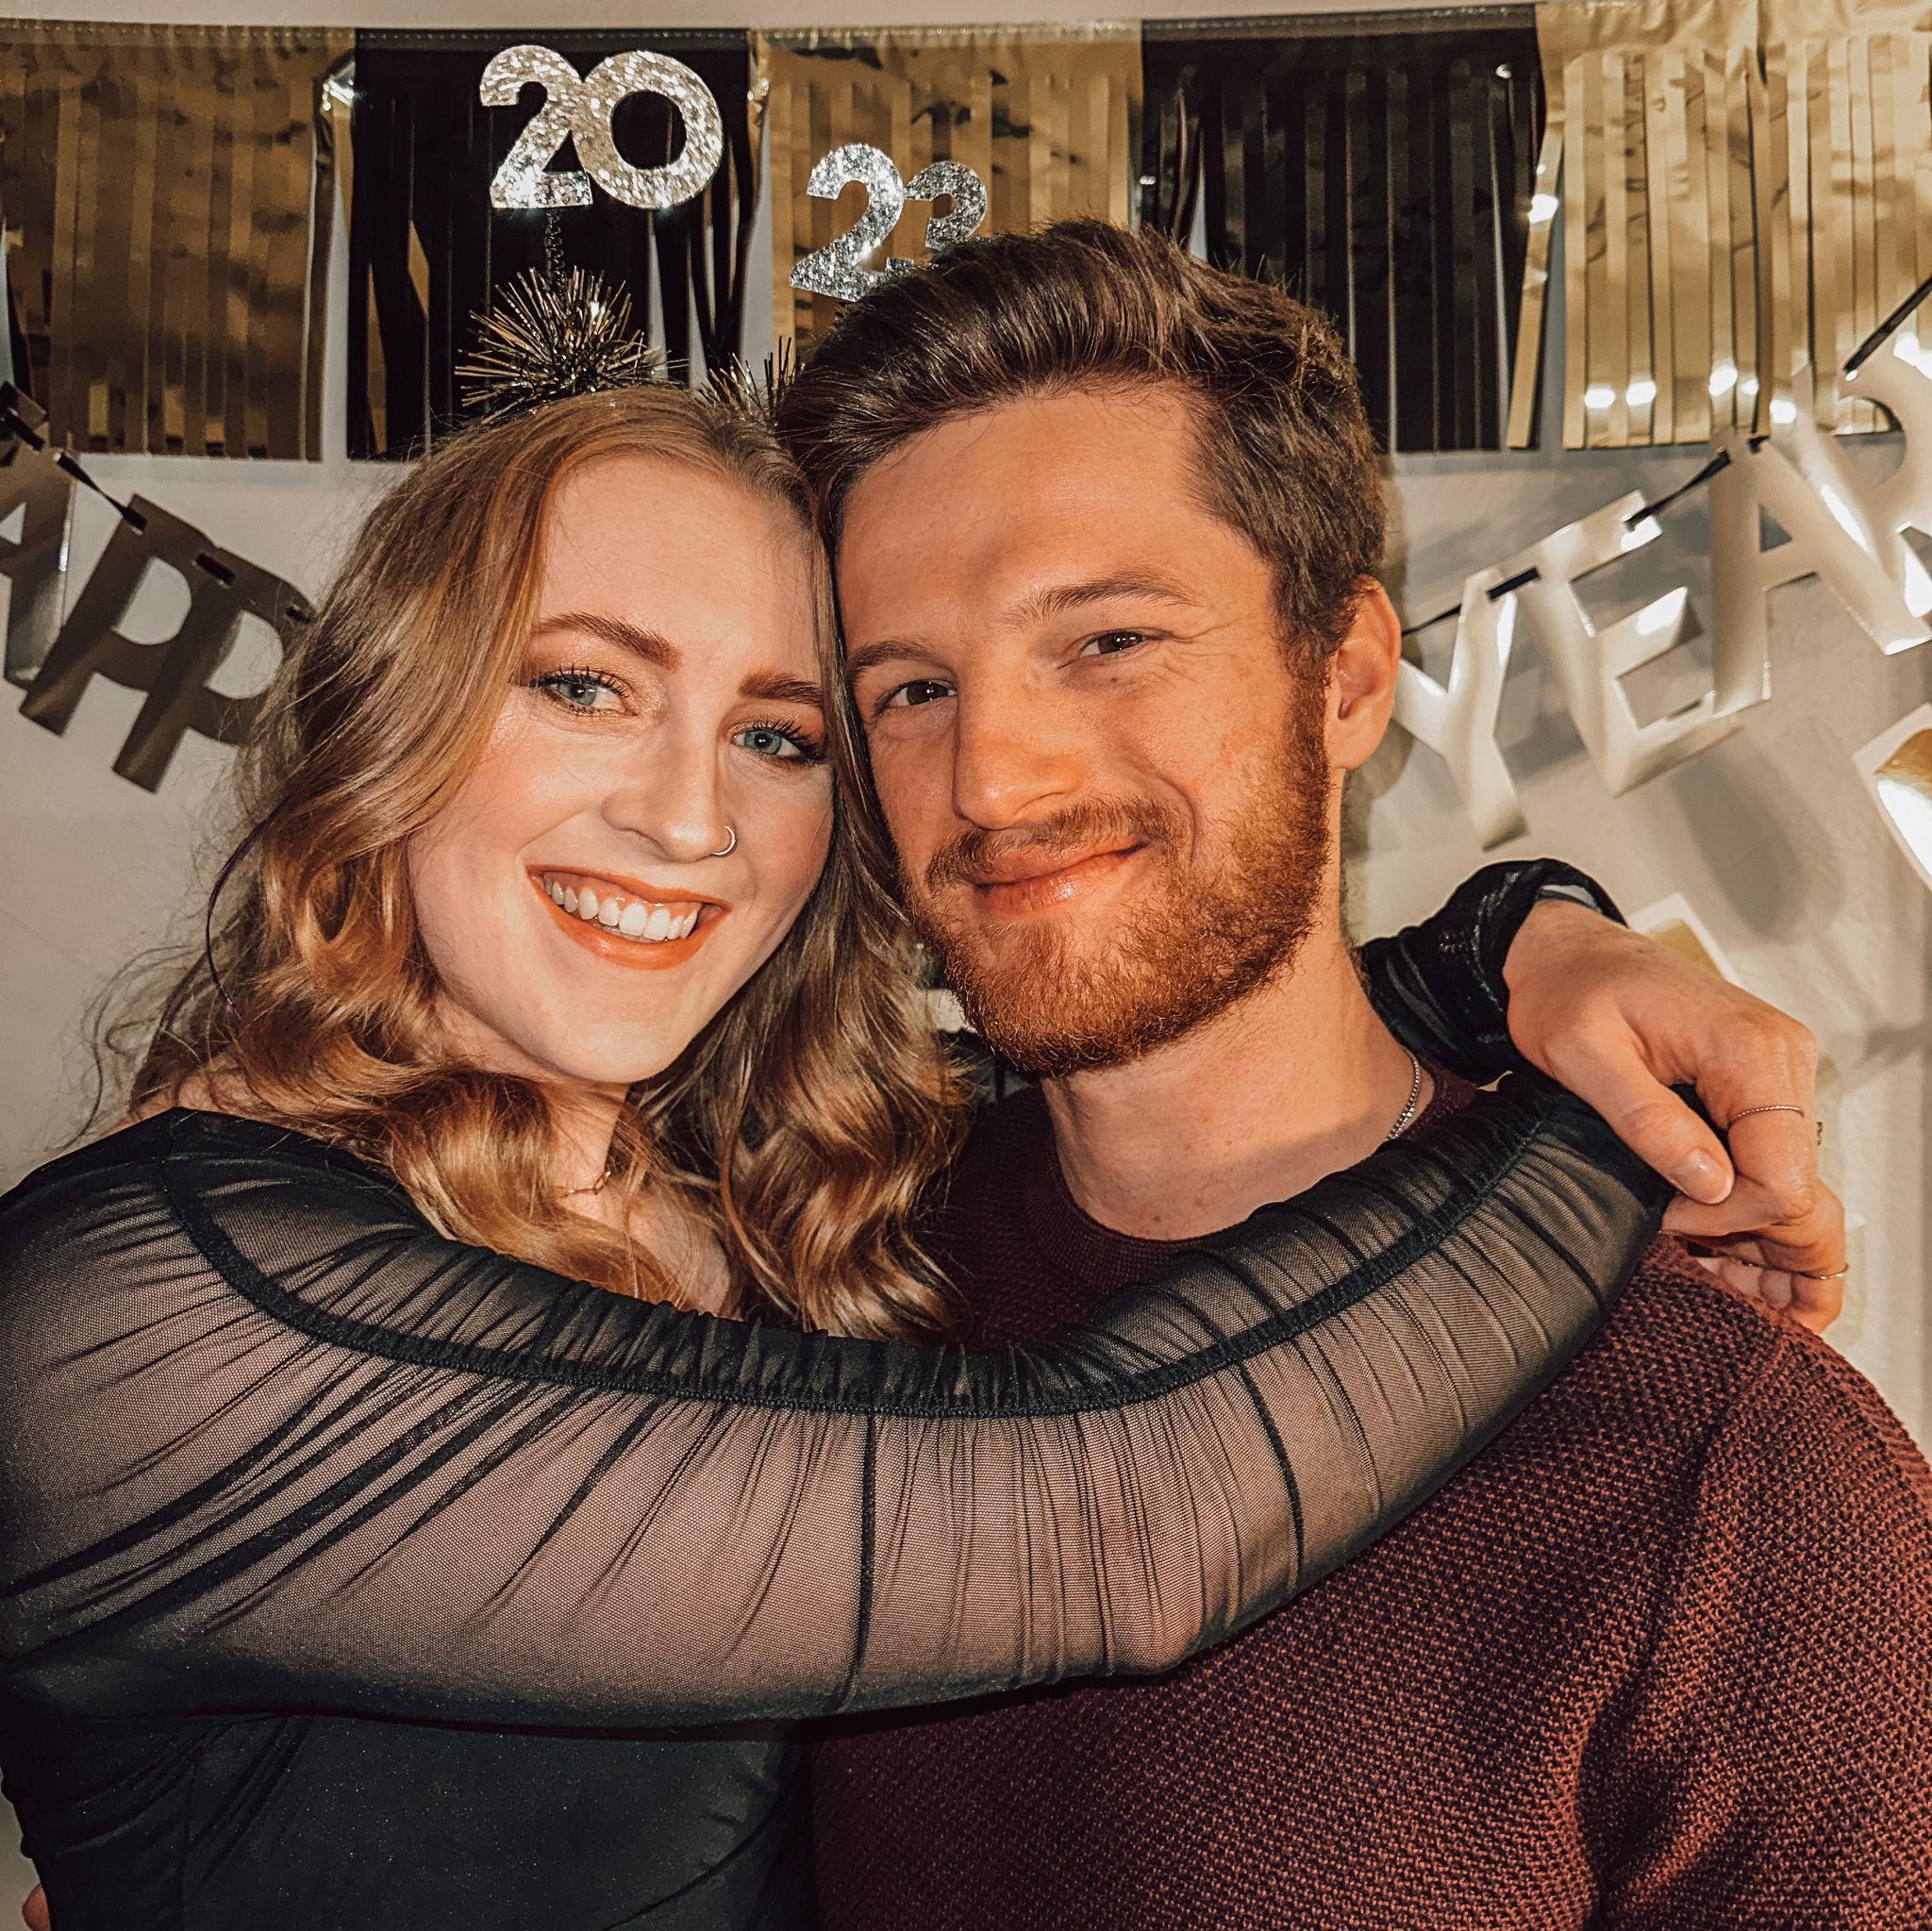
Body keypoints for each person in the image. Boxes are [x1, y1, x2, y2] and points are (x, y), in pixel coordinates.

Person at [0, 375, 1836, 1931]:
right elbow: (1120, 1510)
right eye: (581, 683)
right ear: (388, 716)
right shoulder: (132, 1319)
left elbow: (1168, 1002)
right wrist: (1609, 1117)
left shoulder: (764, 1198)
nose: (686, 815)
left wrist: (1508, 943)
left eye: (781, 731)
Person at [776, 219, 1932, 1927]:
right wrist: (1509, 945)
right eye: (912, 688)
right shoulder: (805, 1273)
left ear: (1349, 676)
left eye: (1108, 641)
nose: (993, 779)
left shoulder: (1721, 1463)